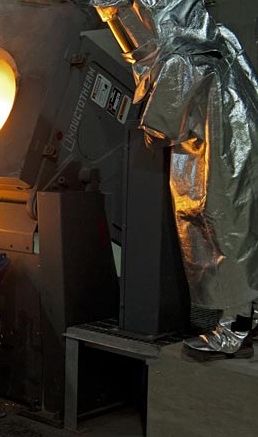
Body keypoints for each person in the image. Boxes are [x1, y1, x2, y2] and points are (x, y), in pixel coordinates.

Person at [92, 0, 258, 358]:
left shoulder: (183, 61)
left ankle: (234, 329)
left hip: (220, 152)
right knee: (241, 228)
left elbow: (160, 127)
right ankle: (246, 319)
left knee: (220, 229)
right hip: (235, 140)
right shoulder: (210, 44)